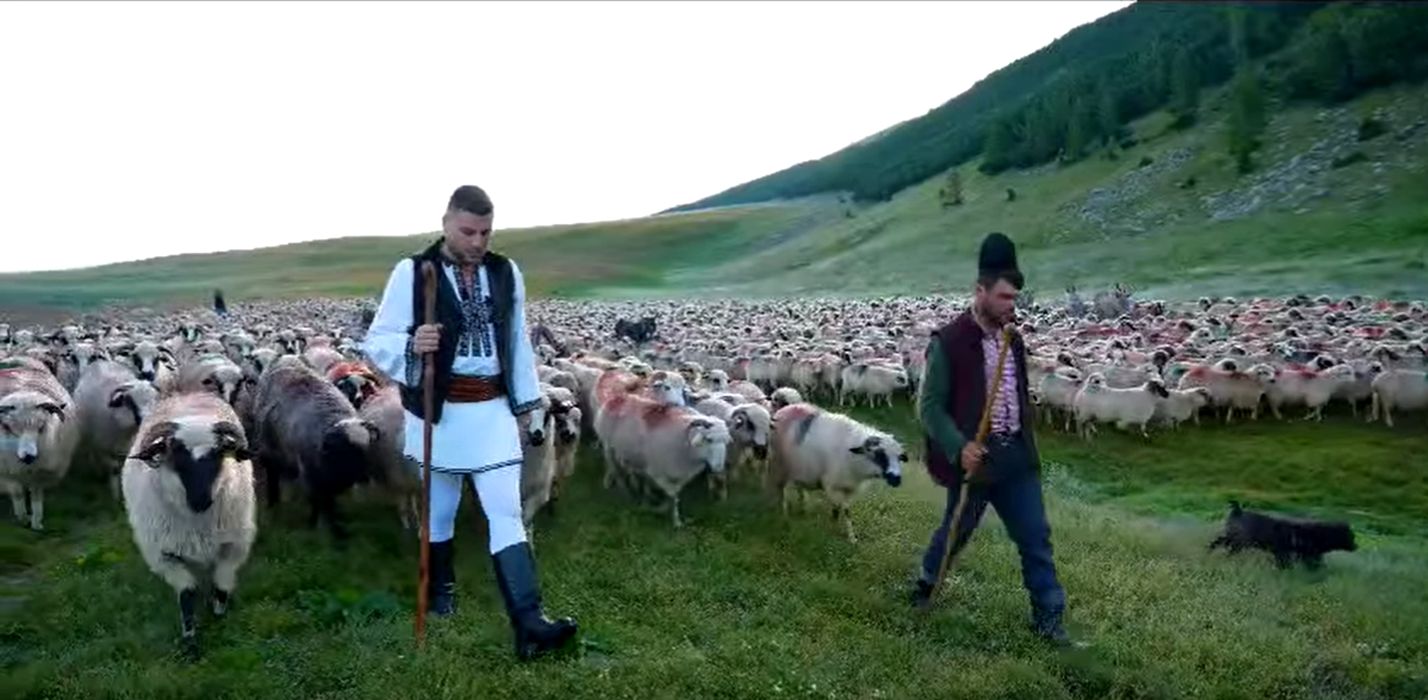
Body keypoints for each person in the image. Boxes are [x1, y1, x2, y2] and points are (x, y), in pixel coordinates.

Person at [363, 184, 577, 660]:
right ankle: (441, 593)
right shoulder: (413, 272)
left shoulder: (505, 272)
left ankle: (529, 622)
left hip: (491, 410)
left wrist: (527, 403)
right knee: (440, 510)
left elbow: (516, 339)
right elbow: (378, 339)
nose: (478, 242)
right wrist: (411, 345)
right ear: (446, 223)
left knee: (506, 511)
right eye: (468, 231)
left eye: (485, 232)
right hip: (439, 413)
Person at [910, 232, 1072, 646]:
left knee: (1035, 537)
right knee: (957, 529)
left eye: (1014, 298)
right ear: (979, 291)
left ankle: (1049, 619)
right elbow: (929, 407)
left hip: (1015, 455)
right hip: (976, 458)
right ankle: (927, 583)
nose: (1010, 305)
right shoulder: (948, 341)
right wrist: (958, 446)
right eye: (1003, 297)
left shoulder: (1013, 340)